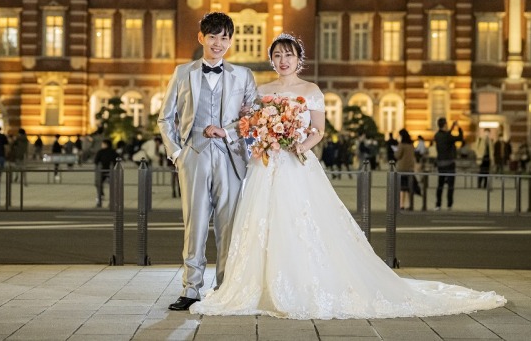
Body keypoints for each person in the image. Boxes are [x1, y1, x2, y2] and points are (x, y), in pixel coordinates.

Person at [191, 33, 505, 319]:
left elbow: (319, 130)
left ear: (299, 59)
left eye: (288, 55)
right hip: (266, 164)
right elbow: (248, 125)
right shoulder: (262, 91)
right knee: (263, 223)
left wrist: (300, 144)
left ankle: (302, 284)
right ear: (271, 60)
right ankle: (259, 286)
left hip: (296, 164)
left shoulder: (311, 90)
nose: (283, 60)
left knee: (300, 222)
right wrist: (248, 134)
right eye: (277, 55)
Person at [157, 12, 257, 311]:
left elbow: (253, 118)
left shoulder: (244, 75)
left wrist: (228, 131)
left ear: (231, 41)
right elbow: (165, 118)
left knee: (229, 227)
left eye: (224, 38)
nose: (218, 43)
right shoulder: (182, 73)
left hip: (231, 157)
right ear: (201, 37)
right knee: (195, 224)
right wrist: (177, 153)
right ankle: (191, 289)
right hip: (194, 155)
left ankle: (225, 288)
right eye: (213, 36)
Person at [433, 117, 463, 211]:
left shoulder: (437, 135)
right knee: (450, 186)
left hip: (441, 164)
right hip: (449, 164)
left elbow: (446, 136)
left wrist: (452, 127)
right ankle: (449, 205)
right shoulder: (448, 136)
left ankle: (438, 204)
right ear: (445, 125)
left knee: (440, 185)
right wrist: (458, 128)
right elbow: (460, 138)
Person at [395, 128, 416, 210]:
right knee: (409, 187)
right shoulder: (411, 145)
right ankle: (410, 204)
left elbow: (397, 156)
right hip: (410, 168)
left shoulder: (401, 145)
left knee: (402, 188)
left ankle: (401, 204)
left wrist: (395, 151)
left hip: (402, 168)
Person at [93, 138, 118, 208]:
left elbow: (96, 161)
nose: (102, 145)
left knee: (98, 184)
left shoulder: (100, 152)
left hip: (102, 170)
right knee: (112, 186)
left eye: (103, 144)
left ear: (106, 144)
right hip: (111, 171)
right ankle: (112, 201)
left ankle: (100, 198)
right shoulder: (113, 152)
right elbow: (117, 161)